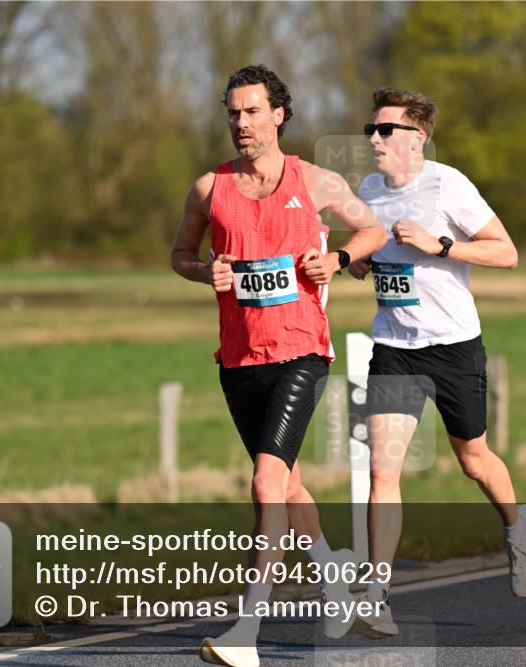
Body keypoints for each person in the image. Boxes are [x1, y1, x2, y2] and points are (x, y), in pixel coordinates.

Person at [170, 65, 387, 667]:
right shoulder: (208, 189)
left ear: (278, 115)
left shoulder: (315, 182)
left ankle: (246, 631)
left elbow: (372, 229)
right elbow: (180, 253)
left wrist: (339, 258)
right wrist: (201, 272)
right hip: (239, 358)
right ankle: (334, 582)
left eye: (252, 112)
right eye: (233, 113)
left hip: (301, 351)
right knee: (287, 484)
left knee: (264, 483)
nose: (241, 123)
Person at [348, 88, 526, 637]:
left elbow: (506, 252)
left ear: (418, 138)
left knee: (474, 459)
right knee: (382, 470)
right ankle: (376, 594)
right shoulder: (368, 190)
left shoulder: (448, 184)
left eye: (385, 131)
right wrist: (359, 264)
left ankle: (517, 527)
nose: (374, 140)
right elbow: (371, 251)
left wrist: (441, 246)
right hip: (393, 346)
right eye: (370, 130)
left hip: (454, 345)